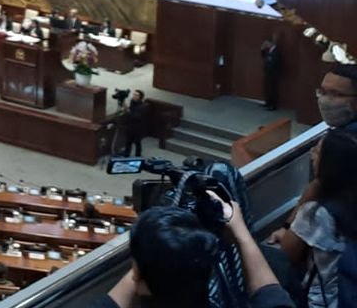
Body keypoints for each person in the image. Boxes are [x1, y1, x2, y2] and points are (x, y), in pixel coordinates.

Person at [93, 201, 295, 308]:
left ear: (143, 285)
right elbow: (271, 296)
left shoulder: (144, 283)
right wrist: (240, 231)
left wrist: (160, 248)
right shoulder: (197, 270)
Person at [277, 128, 357, 308]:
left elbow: (287, 251)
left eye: (317, 151)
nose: (312, 154)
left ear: (330, 164)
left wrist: (311, 193)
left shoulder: (318, 213)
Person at [122, 90, 149, 157]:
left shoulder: (143, 106)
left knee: (137, 143)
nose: (134, 96)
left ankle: (138, 156)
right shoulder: (132, 102)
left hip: (137, 128)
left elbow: (137, 117)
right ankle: (126, 154)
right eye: (133, 94)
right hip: (129, 126)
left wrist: (128, 111)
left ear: (140, 97)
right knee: (128, 142)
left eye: (136, 95)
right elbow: (131, 111)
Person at [261, 37, 282, 110]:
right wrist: (262, 49)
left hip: (273, 74)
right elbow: (264, 58)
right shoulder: (268, 50)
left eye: (267, 43)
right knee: (268, 89)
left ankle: (273, 105)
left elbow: (275, 62)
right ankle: (268, 103)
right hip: (267, 73)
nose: (266, 45)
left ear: (271, 43)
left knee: (273, 90)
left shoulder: (277, 51)